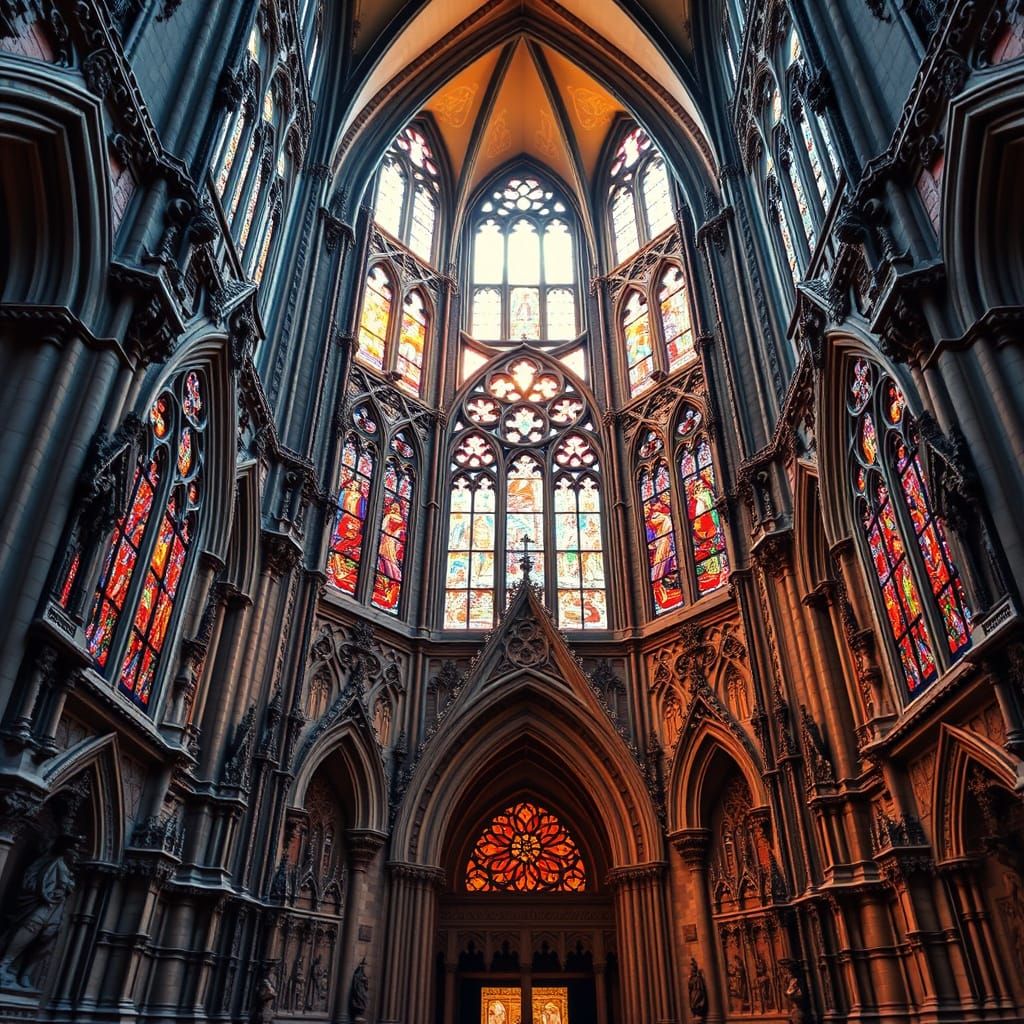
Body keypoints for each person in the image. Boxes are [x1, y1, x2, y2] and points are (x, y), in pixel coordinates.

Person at [0, 834, 79, 989]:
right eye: (75, 851)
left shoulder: (68, 870)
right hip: (42, 904)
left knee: (48, 937)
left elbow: (66, 885)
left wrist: (64, 890)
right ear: (66, 850)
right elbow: (31, 880)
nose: (77, 855)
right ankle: (4, 964)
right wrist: (48, 893)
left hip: (56, 908)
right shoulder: (50, 862)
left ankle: (21, 971)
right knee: (31, 928)